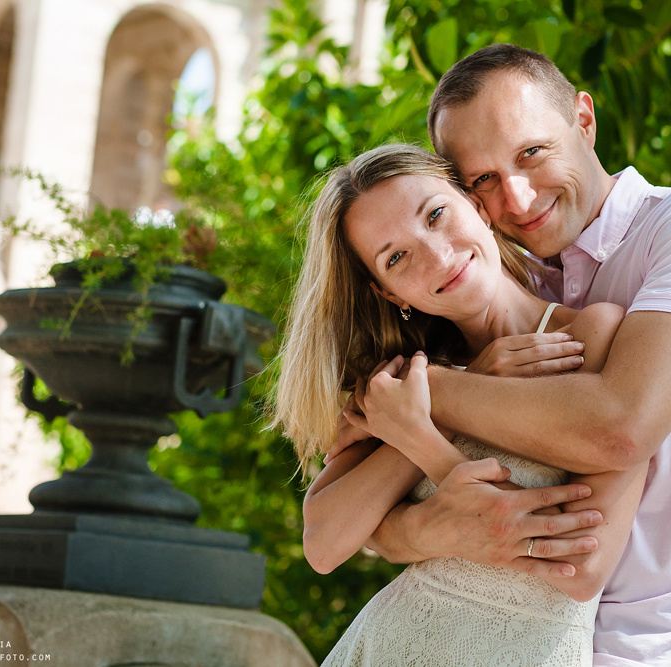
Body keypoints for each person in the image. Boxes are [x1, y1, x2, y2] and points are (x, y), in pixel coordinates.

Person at [340, 44, 671, 666]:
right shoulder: (515, 296)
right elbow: (357, 511)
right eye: (482, 179)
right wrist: (414, 530)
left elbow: (621, 427)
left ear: (584, 121)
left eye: (531, 153)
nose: (518, 196)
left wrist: (419, 395)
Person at [274, 143, 650, 665]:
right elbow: (324, 542)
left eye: (436, 215)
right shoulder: (406, 380)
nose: (436, 254)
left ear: (476, 205)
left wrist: (427, 430)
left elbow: (581, 567)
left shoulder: (589, 336)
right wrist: (467, 384)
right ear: (389, 294)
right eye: (396, 257)